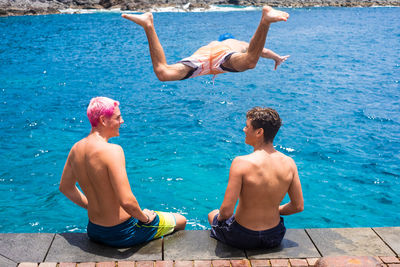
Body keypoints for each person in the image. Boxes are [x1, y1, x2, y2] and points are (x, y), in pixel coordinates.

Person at [59, 97, 186, 248]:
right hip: (122, 232)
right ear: (103, 120)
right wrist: (145, 217)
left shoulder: (76, 148)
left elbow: (65, 187)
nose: (122, 121)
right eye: (118, 117)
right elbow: (127, 201)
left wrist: (92, 206)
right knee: (181, 220)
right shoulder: (112, 151)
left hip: (94, 230)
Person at [208, 107, 304, 249]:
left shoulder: (241, 162)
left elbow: (227, 211)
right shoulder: (289, 163)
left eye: (247, 126)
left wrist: (219, 219)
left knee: (213, 214)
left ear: (259, 132)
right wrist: (273, 209)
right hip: (274, 236)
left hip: (242, 237)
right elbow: (298, 206)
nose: (244, 130)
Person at [122, 6, 290, 81]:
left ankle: (148, 24)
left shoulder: (211, 44)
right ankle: (265, 21)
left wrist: (276, 58)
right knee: (250, 61)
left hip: (201, 61)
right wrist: (277, 58)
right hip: (221, 59)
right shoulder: (236, 43)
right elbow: (263, 51)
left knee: (163, 73)